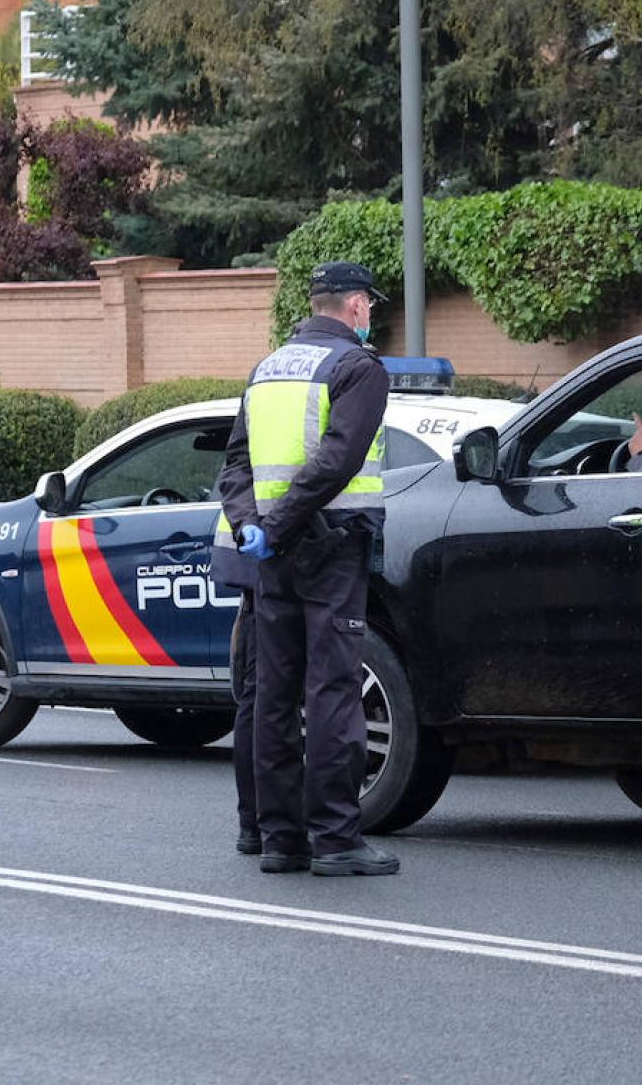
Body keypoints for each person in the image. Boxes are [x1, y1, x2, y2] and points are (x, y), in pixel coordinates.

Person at [217, 260, 397, 877]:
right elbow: (338, 461)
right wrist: (279, 524)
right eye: (368, 305)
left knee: (273, 694)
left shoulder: (266, 370)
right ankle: (336, 840)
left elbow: (233, 467)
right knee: (332, 692)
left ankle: (281, 840)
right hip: (328, 550)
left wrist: (251, 527)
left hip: (273, 558)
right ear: (353, 307)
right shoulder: (359, 368)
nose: (370, 314)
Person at [210, 451, 261, 857]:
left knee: (257, 701)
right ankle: (262, 824)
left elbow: (234, 468)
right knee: (264, 702)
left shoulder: (261, 389)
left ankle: (257, 824)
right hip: (284, 566)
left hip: (255, 572)